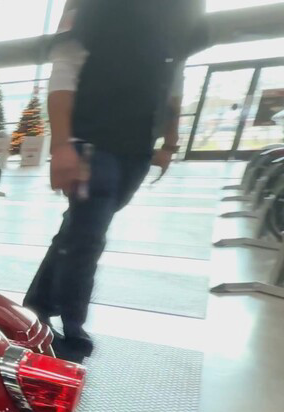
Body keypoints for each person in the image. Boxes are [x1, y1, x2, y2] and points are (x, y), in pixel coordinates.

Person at [24, 0, 208, 361]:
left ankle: (35, 307)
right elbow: (64, 72)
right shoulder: (96, 9)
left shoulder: (180, 15)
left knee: (77, 230)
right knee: (88, 238)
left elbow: (174, 80)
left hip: (137, 148)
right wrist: (61, 145)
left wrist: (169, 142)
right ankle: (71, 333)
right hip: (92, 141)